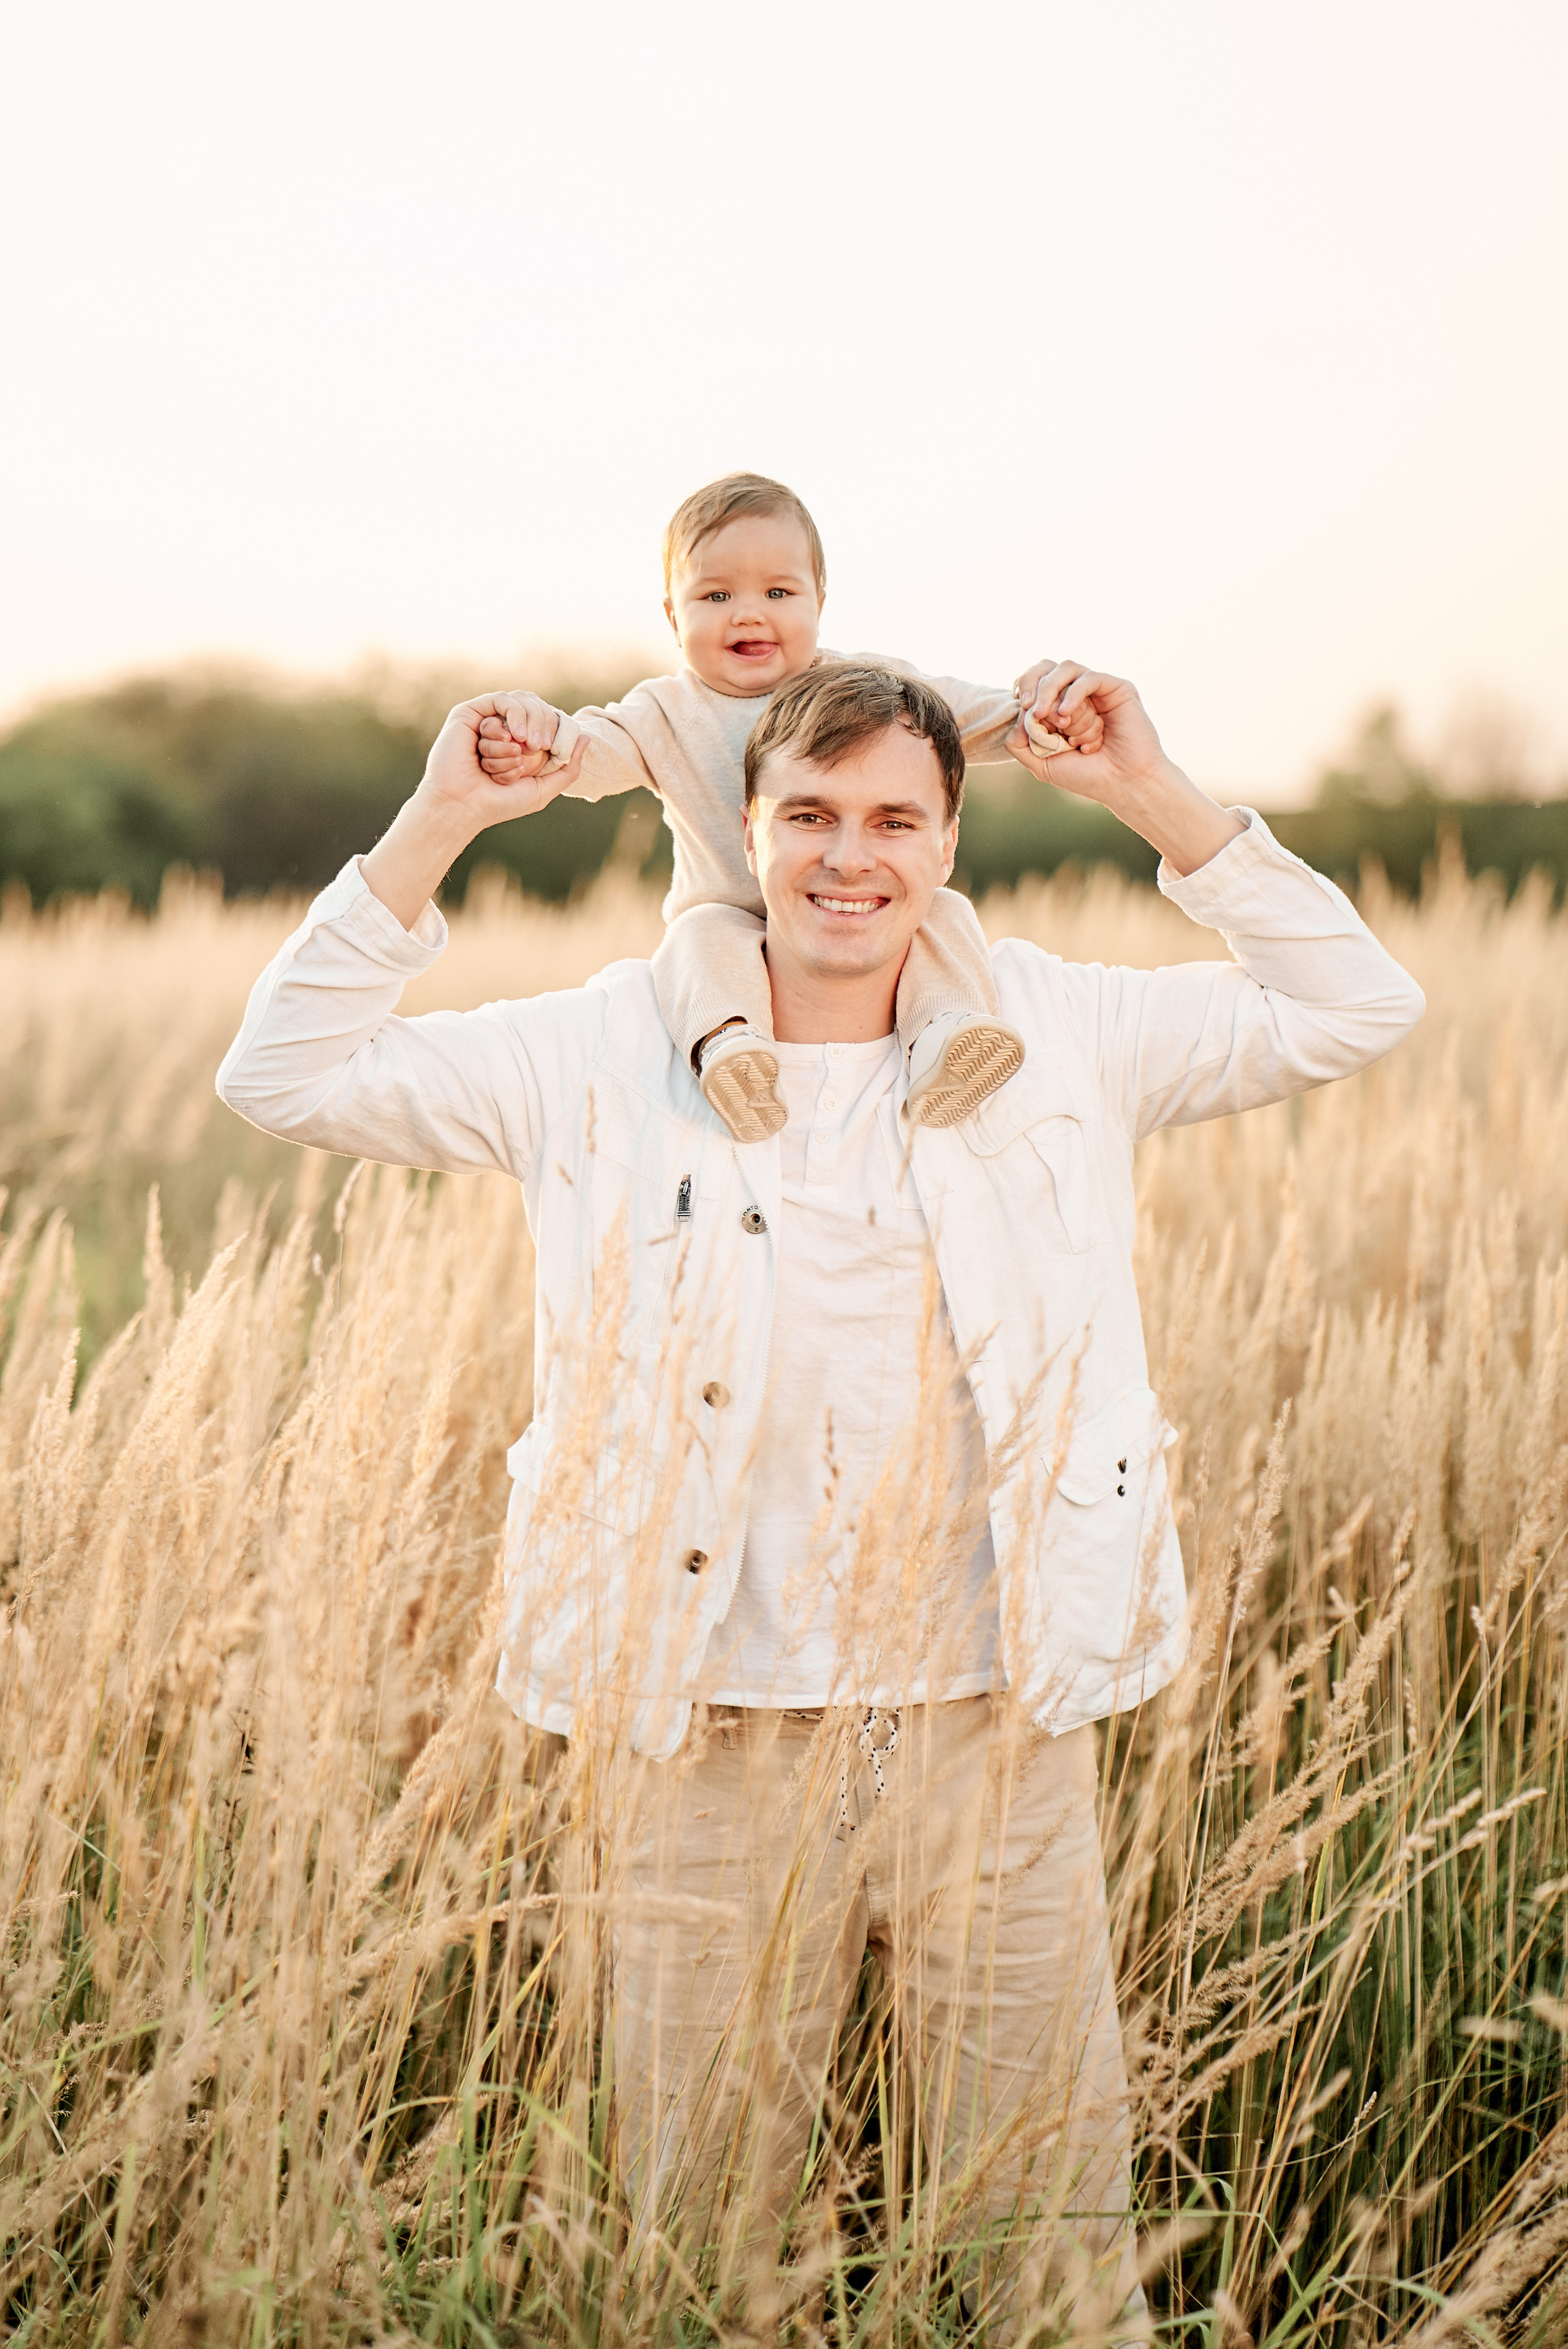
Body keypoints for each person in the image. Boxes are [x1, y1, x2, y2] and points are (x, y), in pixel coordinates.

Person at [216, 657, 1423, 2339]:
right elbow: (280, 1072)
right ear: (748, 828)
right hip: (702, 1733)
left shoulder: (1060, 1031)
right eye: (810, 816)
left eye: (893, 821)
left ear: (946, 842)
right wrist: (440, 819)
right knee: (697, 2239)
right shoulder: (598, 1050)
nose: (850, 858)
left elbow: (1353, 1005)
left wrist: (1149, 793)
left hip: (991, 1722)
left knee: (1046, 2244)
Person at [472, 470, 1089, 1142]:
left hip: (853, 904)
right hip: (730, 912)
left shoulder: (864, 687)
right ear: (674, 617)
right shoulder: (665, 712)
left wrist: (1037, 716)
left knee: (944, 912)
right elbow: (588, 750)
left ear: (819, 600)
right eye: (716, 595)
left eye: (778, 592)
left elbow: (959, 715)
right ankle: (732, 1049)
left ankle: (949, 1034)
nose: (748, 613)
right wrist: (536, 740)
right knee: (695, 938)